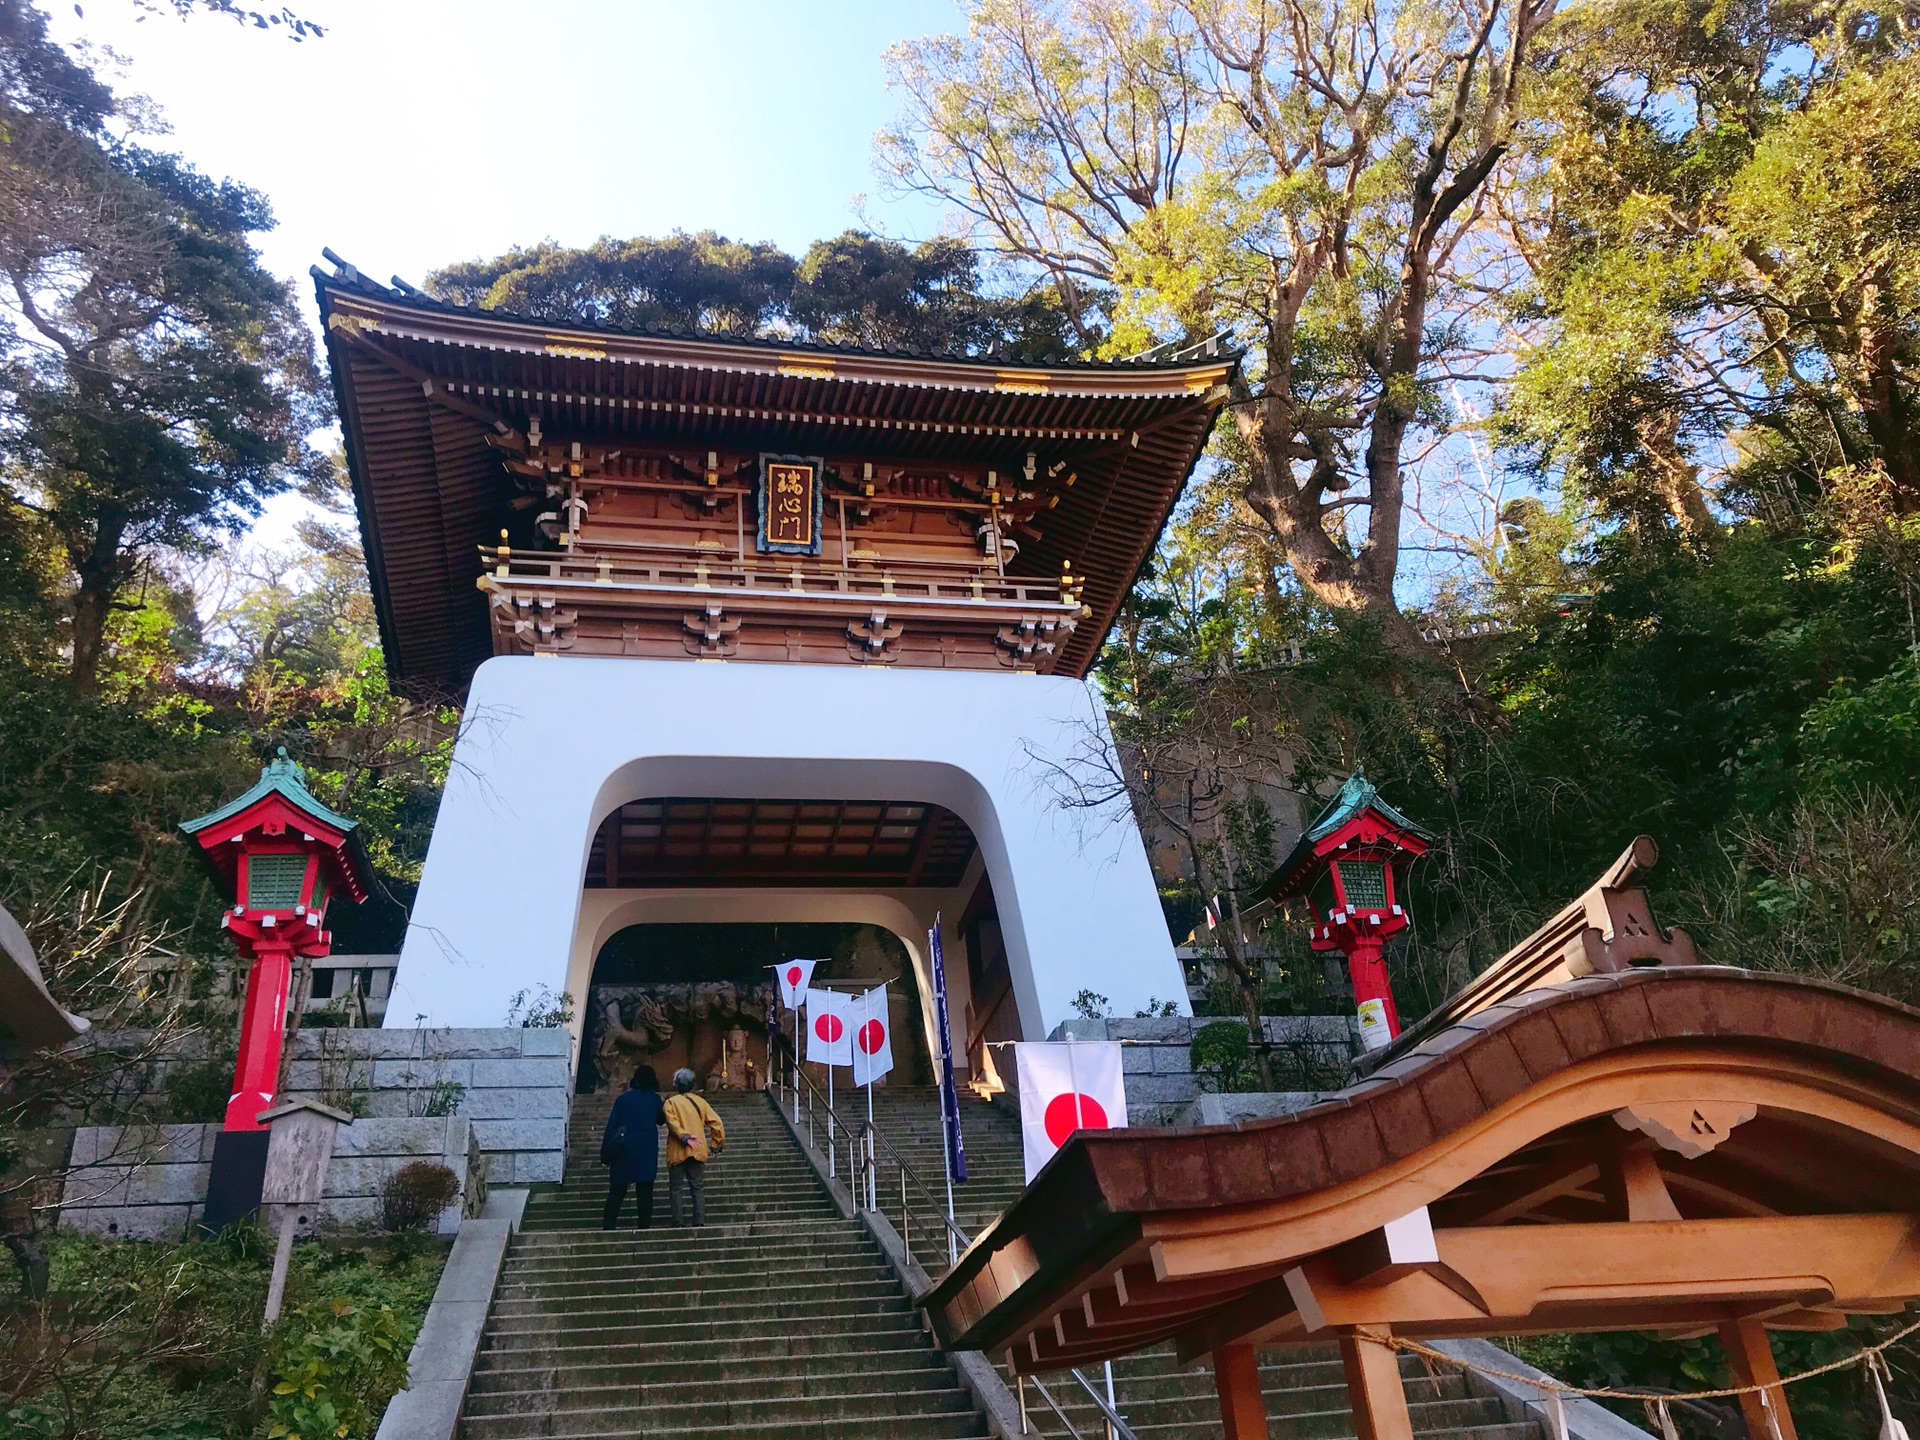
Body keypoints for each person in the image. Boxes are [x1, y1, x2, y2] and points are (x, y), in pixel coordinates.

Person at [600, 1065, 666, 1230]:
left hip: (624, 1148)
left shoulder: (623, 1099)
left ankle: (608, 1226)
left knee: (617, 1190)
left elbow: (611, 1127)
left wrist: (605, 1154)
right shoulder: (655, 1100)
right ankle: (644, 1227)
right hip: (646, 1150)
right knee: (645, 1190)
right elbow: (661, 1120)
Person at [661, 1067, 725, 1227]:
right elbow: (717, 1123)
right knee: (697, 1187)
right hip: (697, 1149)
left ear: (676, 1085)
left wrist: (684, 1136)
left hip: (677, 1151)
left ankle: (678, 1220)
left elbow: (671, 1122)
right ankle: (699, 1220)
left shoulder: (671, 1102)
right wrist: (716, 1143)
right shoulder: (701, 1102)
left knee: (676, 1188)